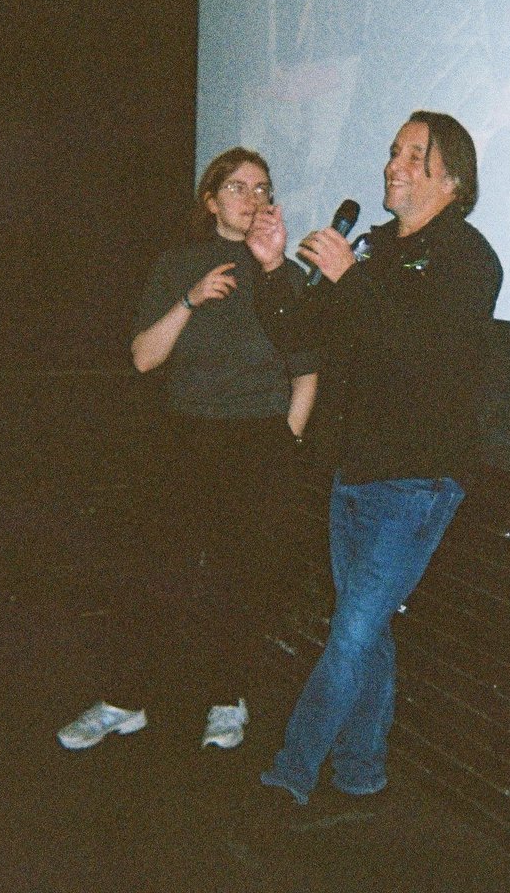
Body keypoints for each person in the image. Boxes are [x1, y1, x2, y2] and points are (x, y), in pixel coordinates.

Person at [245, 110, 502, 805]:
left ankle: (289, 776)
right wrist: (273, 271)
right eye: (393, 151)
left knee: (351, 632)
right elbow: (302, 335)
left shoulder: (468, 260)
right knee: (370, 629)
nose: (394, 164)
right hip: (353, 472)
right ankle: (362, 773)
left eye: (414, 156)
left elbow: (427, 355)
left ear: (452, 178)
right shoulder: (374, 249)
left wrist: (351, 281)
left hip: (417, 479)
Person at [56, 147, 317, 751]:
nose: (251, 198)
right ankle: (124, 700)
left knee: (239, 578)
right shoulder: (180, 263)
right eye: (237, 187)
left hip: (257, 439)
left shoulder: (284, 276)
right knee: (156, 571)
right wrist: (191, 299)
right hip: (185, 436)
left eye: (262, 187)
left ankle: (227, 698)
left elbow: (307, 369)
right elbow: (144, 356)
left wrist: (287, 440)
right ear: (211, 199)